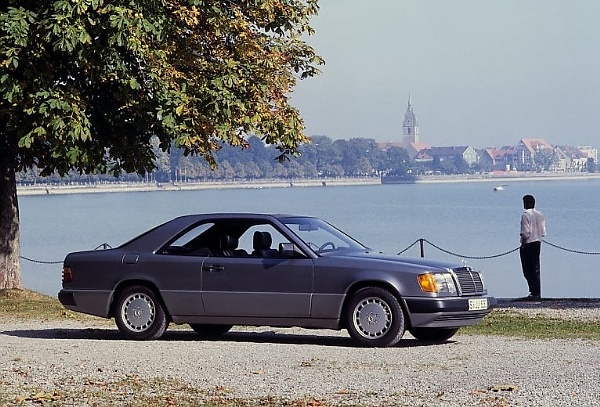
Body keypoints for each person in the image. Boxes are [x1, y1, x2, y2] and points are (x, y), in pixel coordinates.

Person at [519, 194, 546, 300]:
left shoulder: (525, 215)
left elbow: (525, 232)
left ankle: (533, 292)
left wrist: (523, 243)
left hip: (528, 244)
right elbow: (543, 232)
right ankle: (537, 292)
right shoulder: (540, 215)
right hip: (538, 243)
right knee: (536, 268)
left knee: (528, 269)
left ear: (525, 204)